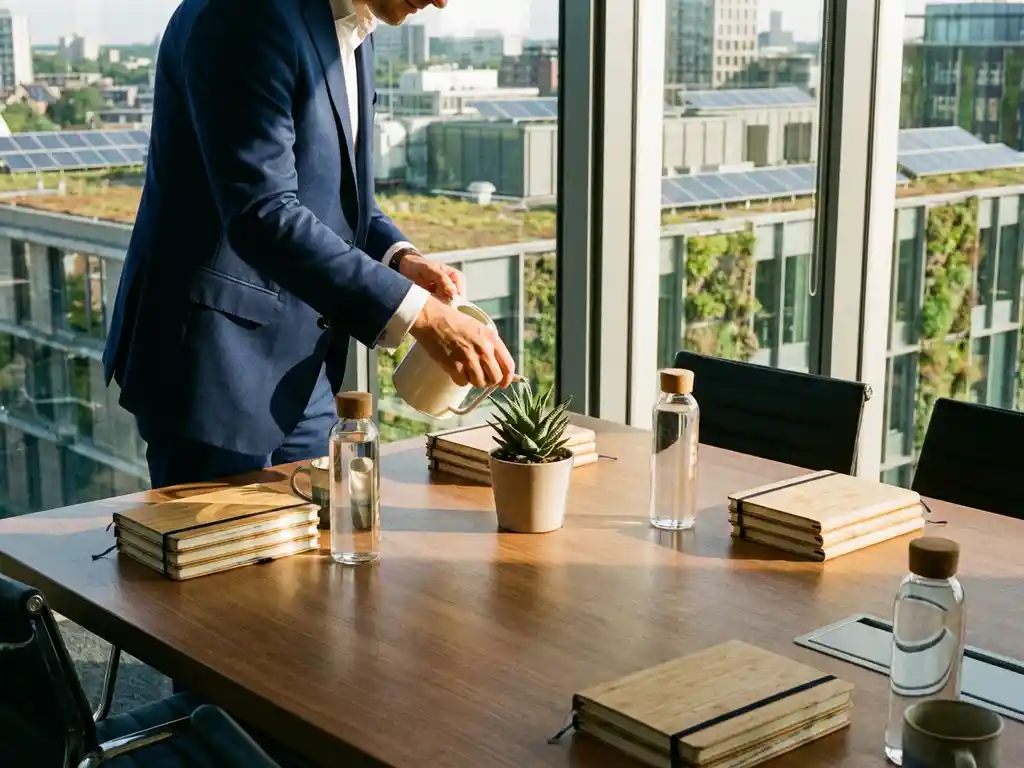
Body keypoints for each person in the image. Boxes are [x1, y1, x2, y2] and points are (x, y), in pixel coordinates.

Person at [103, 0, 517, 488]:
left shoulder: (355, 24)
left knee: (324, 549)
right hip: (212, 369)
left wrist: (400, 259)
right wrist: (421, 316)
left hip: (303, 374)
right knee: (225, 559)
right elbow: (263, 212)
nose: (443, 2)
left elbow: (331, 195)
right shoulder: (242, 14)